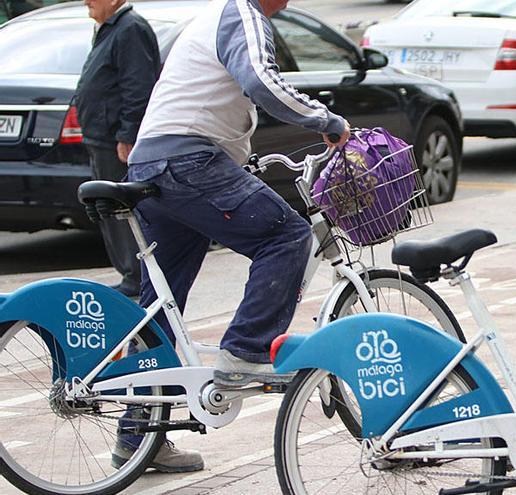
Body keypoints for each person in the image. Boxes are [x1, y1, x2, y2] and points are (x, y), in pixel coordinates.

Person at [113, 0, 351, 472]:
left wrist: (241, 161)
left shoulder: (212, 20)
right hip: (187, 162)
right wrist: (326, 120)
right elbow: (260, 82)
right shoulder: (242, 13)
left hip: (157, 163)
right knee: (288, 235)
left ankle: (138, 437)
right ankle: (246, 349)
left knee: (161, 307)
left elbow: (209, 101)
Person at [75, 0, 159, 297]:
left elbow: (138, 85)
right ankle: (129, 274)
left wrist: (128, 134)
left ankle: (136, 277)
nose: (86, 1)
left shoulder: (130, 29)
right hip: (102, 135)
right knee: (108, 209)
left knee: (123, 209)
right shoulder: (111, 28)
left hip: (116, 139)